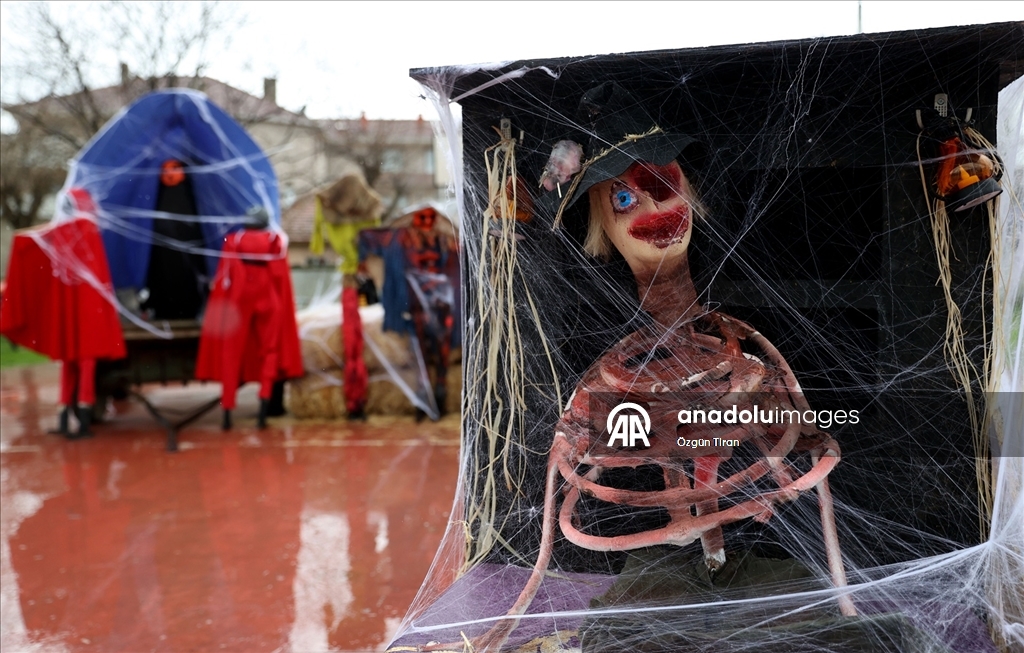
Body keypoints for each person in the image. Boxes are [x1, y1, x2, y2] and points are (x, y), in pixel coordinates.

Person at [196, 207, 303, 429]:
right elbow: (280, 275)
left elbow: (225, 275)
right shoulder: (275, 240)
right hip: (268, 296)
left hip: (239, 297)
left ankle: (227, 412)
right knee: (269, 350)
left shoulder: (233, 240)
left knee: (231, 351)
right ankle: (263, 410)